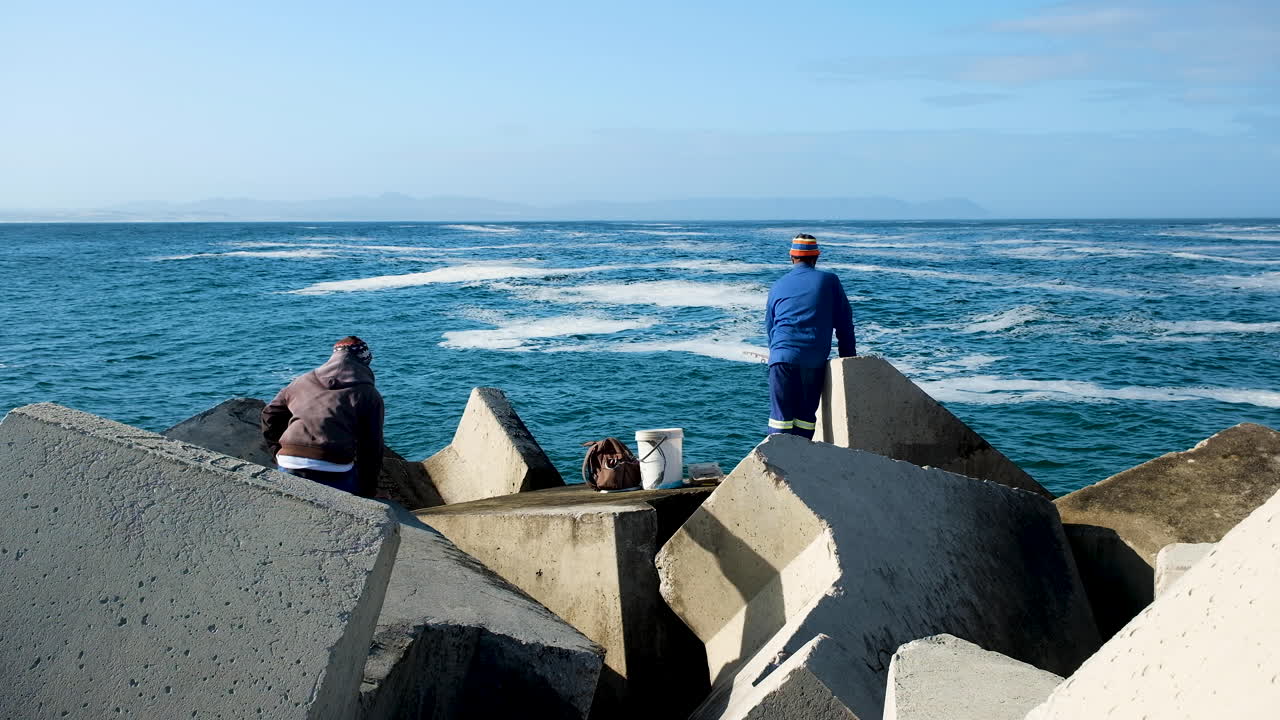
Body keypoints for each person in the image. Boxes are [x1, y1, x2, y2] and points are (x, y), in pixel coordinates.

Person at [261, 336, 384, 497]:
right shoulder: (368, 394)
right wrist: (369, 490)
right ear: (364, 363)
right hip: (333, 465)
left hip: (289, 460)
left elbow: (269, 414)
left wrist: (277, 449)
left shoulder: (301, 382)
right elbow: (371, 445)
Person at [764, 234, 857, 439]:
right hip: (812, 360)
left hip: (781, 358)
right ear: (816, 257)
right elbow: (844, 324)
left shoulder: (778, 284)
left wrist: (777, 354)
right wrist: (848, 359)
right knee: (805, 419)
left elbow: (770, 326)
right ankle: (801, 455)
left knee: (780, 419)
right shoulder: (829, 280)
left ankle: (777, 455)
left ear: (792, 257)